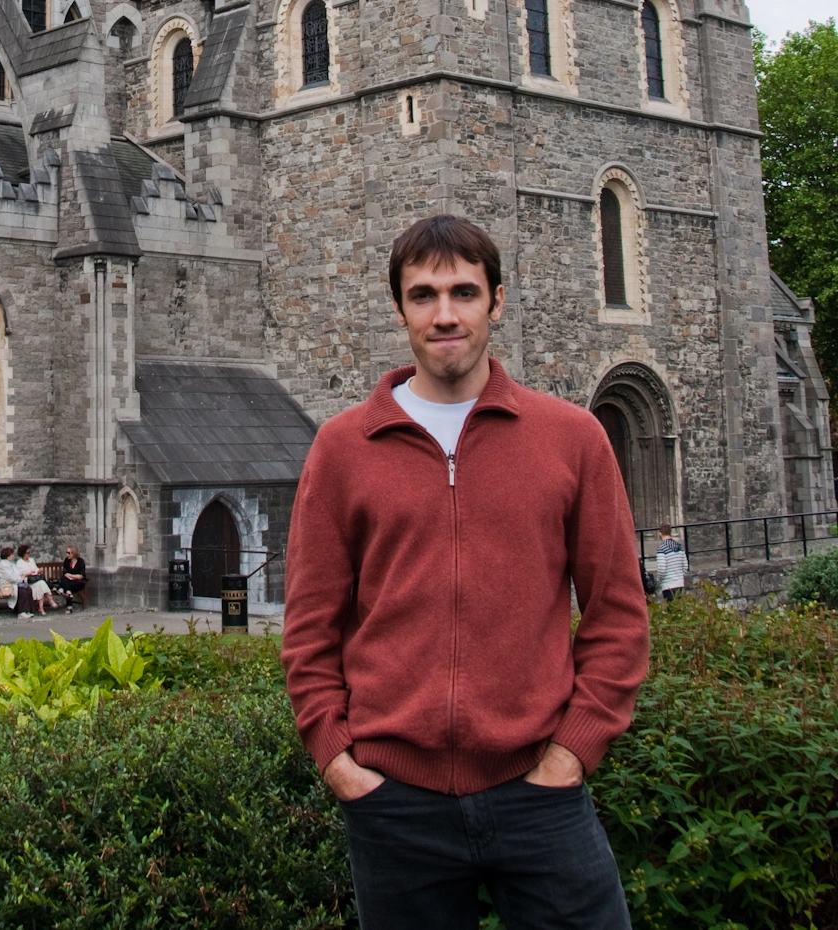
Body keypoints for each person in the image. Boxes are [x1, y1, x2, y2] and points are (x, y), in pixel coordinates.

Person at [281, 215, 651, 930]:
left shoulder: (572, 439)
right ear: (399, 309)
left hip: (539, 794)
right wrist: (337, 759)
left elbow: (617, 613)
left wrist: (573, 752)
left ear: (496, 302)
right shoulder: (342, 447)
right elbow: (309, 625)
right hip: (395, 803)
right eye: (423, 295)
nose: (444, 315)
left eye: (463, 293)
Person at [16, 544, 58, 616]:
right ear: (23, 554)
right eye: (28, 553)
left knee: (40, 585)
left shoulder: (31, 560)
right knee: (41, 583)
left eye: (30, 552)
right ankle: (50, 601)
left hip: (35, 580)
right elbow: (19, 574)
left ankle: (41, 608)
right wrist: (28, 573)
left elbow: (35, 569)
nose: (29, 554)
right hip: (27, 582)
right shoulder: (19, 563)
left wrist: (39, 570)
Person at [0, 547, 35, 619]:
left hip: (14, 583)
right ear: (8, 556)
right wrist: (20, 580)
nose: (13, 556)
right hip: (6, 585)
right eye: (12, 555)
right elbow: (10, 577)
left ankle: (28, 611)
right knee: (22, 592)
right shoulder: (3, 565)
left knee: (28, 589)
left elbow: (18, 573)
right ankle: (21, 612)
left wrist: (22, 577)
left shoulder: (11, 564)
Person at [655, 523, 689, 602]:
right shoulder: (679, 546)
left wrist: (658, 581)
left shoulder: (662, 548)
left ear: (660, 533)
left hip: (667, 585)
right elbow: (685, 566)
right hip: (679, 583)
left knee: (670, 607)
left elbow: (662, 569)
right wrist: (679, 577)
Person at [55, 545, 86, 613]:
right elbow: (65, 574)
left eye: (69, 553)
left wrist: (71, 576)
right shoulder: (67, 561)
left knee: (66, 585)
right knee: (65, 580)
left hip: (78, 583)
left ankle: (61, 589)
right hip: (68, 582)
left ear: (74, 553)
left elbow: (81, 576)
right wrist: (73, 576)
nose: (67, 554)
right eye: (66, 552)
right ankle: (69, 602)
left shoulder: (81, 561)